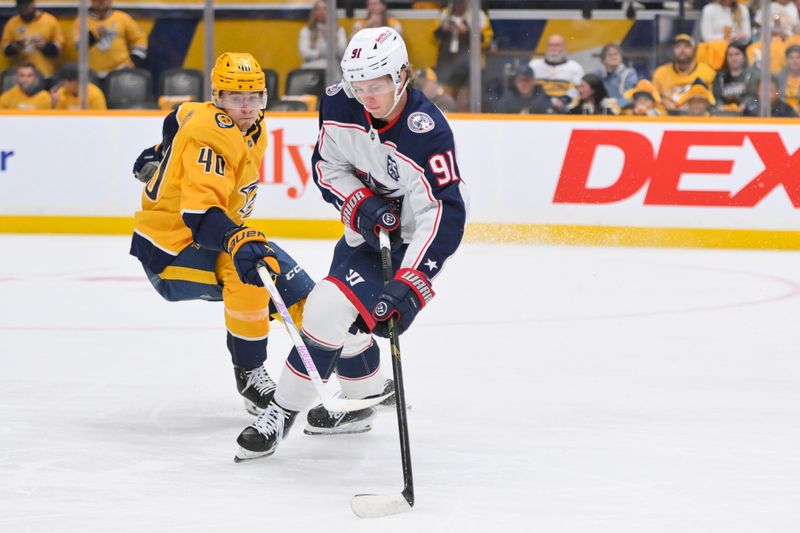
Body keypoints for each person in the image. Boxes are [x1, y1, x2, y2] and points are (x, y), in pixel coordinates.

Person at [235, 27, 468, 461]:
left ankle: (280, 413)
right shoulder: (339, 101)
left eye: (376, 85)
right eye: (358, 84)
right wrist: (359, 203)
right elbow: (326, 166)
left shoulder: (427, 130)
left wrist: (410, 283)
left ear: (402, 75)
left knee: (326, 307)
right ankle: (365, 399)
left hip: (416, 241)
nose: (366, 96)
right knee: (345, 319)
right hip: (367, 233)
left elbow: (446, 213)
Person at [129, 52, 319, 417]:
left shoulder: (247, 123)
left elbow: (180, 114)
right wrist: (236, 240)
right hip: (170, 250)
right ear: (217, 96)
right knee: (249, 270)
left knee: (289, 284)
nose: (246, 107)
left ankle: (346, 362)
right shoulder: (211, 136)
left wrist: (161, 150)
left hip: (209, 237)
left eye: (255, 96)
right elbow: (201, 215)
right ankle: (250, 375)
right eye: (235, 97)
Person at [432, 0, 493, 108]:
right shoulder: (444, 14)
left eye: (461, 4)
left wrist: (466, 32)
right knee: (445, 93)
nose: (458, 7)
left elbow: (486, 41)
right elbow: (433, 37)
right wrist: (444, 29)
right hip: (447, 62)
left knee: (466, 96)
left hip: (469, 64)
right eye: (456, 4)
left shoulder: (478, 15)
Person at [70, 0, 147, 78]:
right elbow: (75, 46)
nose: (101, 1)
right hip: (91, 75)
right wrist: (93, 36)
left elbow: (139, 39)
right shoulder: (81, 21)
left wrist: (135, 60)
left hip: (120, 72)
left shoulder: (123, 18)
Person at [1, 0, 64, 81]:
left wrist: (45, 46)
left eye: (26, 6)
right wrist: (15, 47)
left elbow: (59, 50)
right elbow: (5, 51)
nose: (24, 10)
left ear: (33, 4)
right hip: (20, 76)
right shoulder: (12, 23)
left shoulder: (50, 21)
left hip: (45, 75)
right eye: (21, 7)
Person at [652, 34, 716, 113]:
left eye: (686, 46)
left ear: (694, 50)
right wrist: (663, 100)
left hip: (695, 119)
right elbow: (652, 97)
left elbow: (712, 101)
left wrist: (691, 105)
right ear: (673, 50)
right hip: (665, 119)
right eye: (678, 46)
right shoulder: (661, 72)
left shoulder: (707, 72)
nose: (682, 50)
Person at [529, 34, 584, 113]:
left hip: (566, 111)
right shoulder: (534, 66)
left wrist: (563, 100)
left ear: (564, 48)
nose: (553, 48)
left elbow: (578, 90)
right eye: (550, 45)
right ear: (546, 48)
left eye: (557, 45)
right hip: (538, 111)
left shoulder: (575, 67)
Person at [712, 41, 760, 113]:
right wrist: (722, 107)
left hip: (747, 115)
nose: (734, 58)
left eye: (737, 54)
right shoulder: (719, 77)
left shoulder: (752, 75)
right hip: (724, 116)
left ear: (744, 56)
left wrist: (744, 105)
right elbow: (717, 97)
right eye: (730, 55)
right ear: (726, 57)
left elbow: (753, 95)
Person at [298, 0, 347, 69]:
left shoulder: (339, 30)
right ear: (314, 12)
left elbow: (342, 52)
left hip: (332, 68)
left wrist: (332, 36)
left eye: (325, 9)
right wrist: (320, 54)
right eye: (318, 9)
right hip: (311, 67)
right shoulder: (306, 31)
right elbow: (304, 52)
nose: (321, 12)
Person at [593, 43, 638, 108]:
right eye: (610, 55)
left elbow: (631, 97)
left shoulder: (629, 74)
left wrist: (615, 102)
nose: (614, 57)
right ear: (603, 60)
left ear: (621, 57)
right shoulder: (599, 74)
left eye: (616, 54)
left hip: (624, 111)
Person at [776, 44, 800, 111]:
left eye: (798, 57)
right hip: (782, 113)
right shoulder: (778, 77)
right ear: (786, 60)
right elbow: (774, 98)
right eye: (791, 58)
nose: (794, 61)